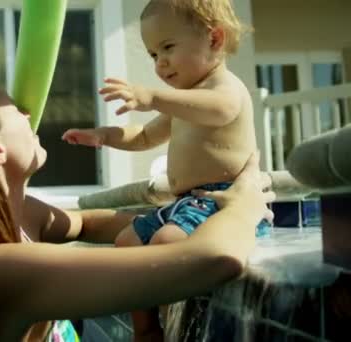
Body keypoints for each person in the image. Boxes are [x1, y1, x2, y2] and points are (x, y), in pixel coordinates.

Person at [0, 64, 274, 342]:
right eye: (14, 108)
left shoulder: (23, 220)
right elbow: (213, 260)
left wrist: (188, 212)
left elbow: (90, 222)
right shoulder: (2, 271)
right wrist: (244, 200)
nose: (28, 113)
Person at [62, 1, 268, 339]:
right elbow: (144, 136)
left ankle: (173, 326)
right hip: (186, 203)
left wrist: (151, 97)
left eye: (168, 48)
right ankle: (146, 329)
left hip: (220, 201)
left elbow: (219, 111)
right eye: (153, 55)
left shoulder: (225, 89)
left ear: (214, 39)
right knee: (127, 242)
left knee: (165, 241)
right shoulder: (185, 101)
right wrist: (104, 136)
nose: (160, 63)